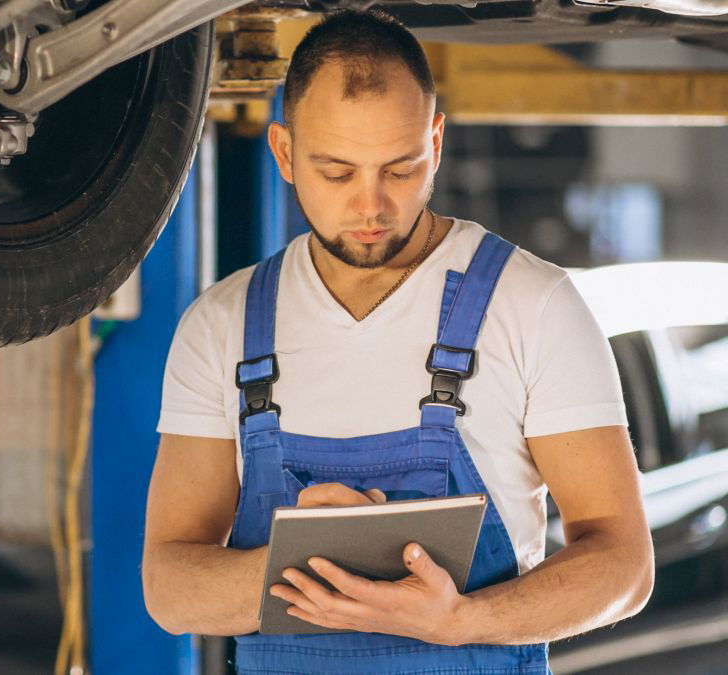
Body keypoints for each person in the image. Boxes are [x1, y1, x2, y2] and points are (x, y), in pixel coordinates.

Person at [140, 8, 654, 674]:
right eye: (337, 172)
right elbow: (169, 585)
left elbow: (624, 562)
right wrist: (303, 559)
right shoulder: (222, 325)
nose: (371, 206)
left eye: (400, 169)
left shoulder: (533, 305)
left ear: (435, 143)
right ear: (286, 153)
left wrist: (464, 619)